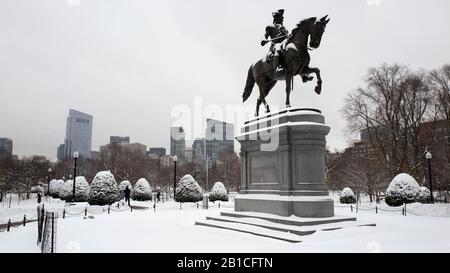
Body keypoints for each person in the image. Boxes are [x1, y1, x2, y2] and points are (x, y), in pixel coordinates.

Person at [261, 9, 289, 78]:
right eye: (281, 17)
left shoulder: (284, 28)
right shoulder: (270, 27)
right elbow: (264, 36)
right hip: (275, 46)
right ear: (276, 18)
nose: (283, 19)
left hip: (284, 45)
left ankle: (303, 74)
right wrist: (264, 40)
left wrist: (285, 33)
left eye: (282, 17)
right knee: (278, 47)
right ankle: (278, 67)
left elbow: (287, 38)